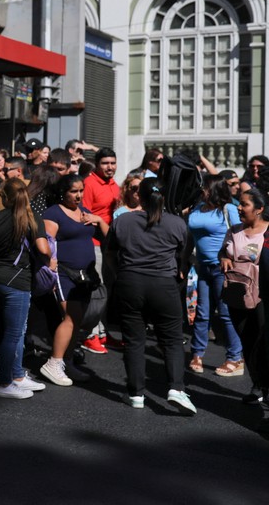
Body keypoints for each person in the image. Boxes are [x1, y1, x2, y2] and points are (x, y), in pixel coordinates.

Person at [106, 178, 195, 414]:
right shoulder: (177, 223)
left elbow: (110, 256)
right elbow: (182, 257)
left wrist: (121, 275)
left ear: (139, 196)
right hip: (163, 285)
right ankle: (176, 388)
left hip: (130, 282)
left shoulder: (123, 220)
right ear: (164, 197)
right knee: (173, 340)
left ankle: (135, 394)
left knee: (135, 341)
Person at [40, 174, 108, 386]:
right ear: (63, 192)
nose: (78, 195)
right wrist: (51, 266)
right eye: (73, 191)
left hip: (84, 275)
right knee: (70, 317)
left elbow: (110, 236)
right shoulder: (53, 213)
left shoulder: (86, 213)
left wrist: (100, 220)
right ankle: (54, 362)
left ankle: (67, 362)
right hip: (63, 273)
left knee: (76, 320)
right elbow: (47, 243)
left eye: (81, 191)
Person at [0, 178, 52, 399]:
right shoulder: (31, 220)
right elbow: (44, 249)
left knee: (16, 331)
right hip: (18, 281)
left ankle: (17, 375)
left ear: (5, 196)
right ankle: (5, 382)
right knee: (14, 334)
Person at [187, 175, 243, 376]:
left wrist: (228, 257)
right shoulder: (198, 208)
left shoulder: (228, 210)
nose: (202, 190)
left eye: (205, 187)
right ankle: (197, 353)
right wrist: (183, 260)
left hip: (223, 269)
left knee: (226, 314)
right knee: (201, 313)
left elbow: (239, 237)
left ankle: (235, 357)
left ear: (214, 189)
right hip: (202, 268)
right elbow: (190, 238)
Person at [220, 189, 269, 414]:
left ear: (259, 209)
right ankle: (258, 385)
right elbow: (224, 252)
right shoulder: (234, 230)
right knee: (247, 342)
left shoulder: (267, 232)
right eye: (239, 204)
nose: (239, 208)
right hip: (236, 294)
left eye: (245, 204)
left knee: (262, 343)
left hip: (261, 297)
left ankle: (266, 387)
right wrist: (224, 259)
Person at [81, 148, 120, 354]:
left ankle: (103, 333)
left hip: (110, 245)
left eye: (113, 163)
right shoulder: (89, 183)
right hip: (94, 243)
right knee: (96, 290)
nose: (110, 167)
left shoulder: (114, 185)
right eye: (105, 163)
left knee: (107, 291)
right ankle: (90, 335)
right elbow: (84, 214)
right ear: (97, 164)